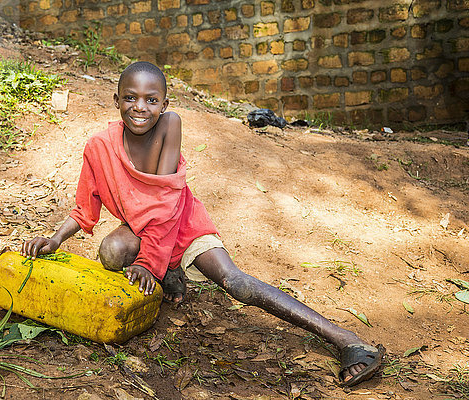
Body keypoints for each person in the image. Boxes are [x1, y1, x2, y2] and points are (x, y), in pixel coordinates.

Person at [21, 61, 383, 386]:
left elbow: (164, 207)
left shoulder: (170, 125)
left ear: (164, 104)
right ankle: (170, 275)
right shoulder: (98, 147)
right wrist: (55, 240)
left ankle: (347, 339)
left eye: (151, 99)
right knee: (112, 251)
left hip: (182, 224)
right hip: (145, 231)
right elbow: (85, 208)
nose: (140, 107)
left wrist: (150, 262)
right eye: (130, 98)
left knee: (236, 284)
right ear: (116, 100)